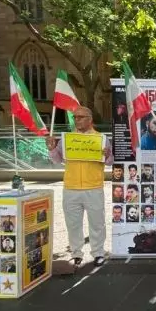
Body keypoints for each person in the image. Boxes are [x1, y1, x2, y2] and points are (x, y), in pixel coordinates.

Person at [47, 105, 113, 267]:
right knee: (73, 224)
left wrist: (108, 155)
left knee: (97, 223)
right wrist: (52, 149)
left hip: (94, 187)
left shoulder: (101, 138)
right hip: (71, 187)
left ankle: (98, 253)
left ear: (90, 119)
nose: (77, 120)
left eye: (81, 117)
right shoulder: (67, 139)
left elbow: (110, 162)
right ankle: (76, 253)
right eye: (75, 117)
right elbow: (57, 160)